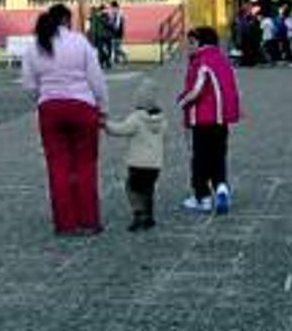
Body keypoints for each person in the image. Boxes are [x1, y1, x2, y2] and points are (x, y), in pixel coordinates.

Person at [22, 4, 109, 236]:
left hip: (50, 109)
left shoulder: (34, 47)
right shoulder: (79, 42)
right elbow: (97, 79)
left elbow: (29, 85)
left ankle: (65, 223)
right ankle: (88, 220)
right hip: (82, 106)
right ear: (66, 20)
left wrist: (43, 98)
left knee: (57, 167)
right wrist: (103, 107)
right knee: (85, 165)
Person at [177, 27, 241, 215]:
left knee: (200, 158)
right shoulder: (222, 60)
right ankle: (221, 186)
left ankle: (202, 196)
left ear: (199, 43)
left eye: (190, 43)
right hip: (221, 120)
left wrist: (182, 100)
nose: (187, 47)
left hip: (203, 119)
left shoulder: (201, 61)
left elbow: (197, 88)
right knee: (218, 155)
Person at [103, 77, 167, 232]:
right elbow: (165, 136)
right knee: (148, 190)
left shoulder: (136, 119)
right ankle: (149, 216)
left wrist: (105, 124)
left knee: (133, 189)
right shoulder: (163, 120)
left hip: (137, 163)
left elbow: (120, 130)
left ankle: (139, 215)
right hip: (155, 164)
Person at [109, 1, 128, 65]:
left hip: (118, 32)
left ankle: (124, 56)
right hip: (115, 31)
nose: (111, 8)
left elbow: (118, 23)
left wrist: (114, 27)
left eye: (112, 7)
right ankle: (116, 59)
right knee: (114, 46)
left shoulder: (119, 13)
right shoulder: (113, 13)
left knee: (116, 47)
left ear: (115, 7)